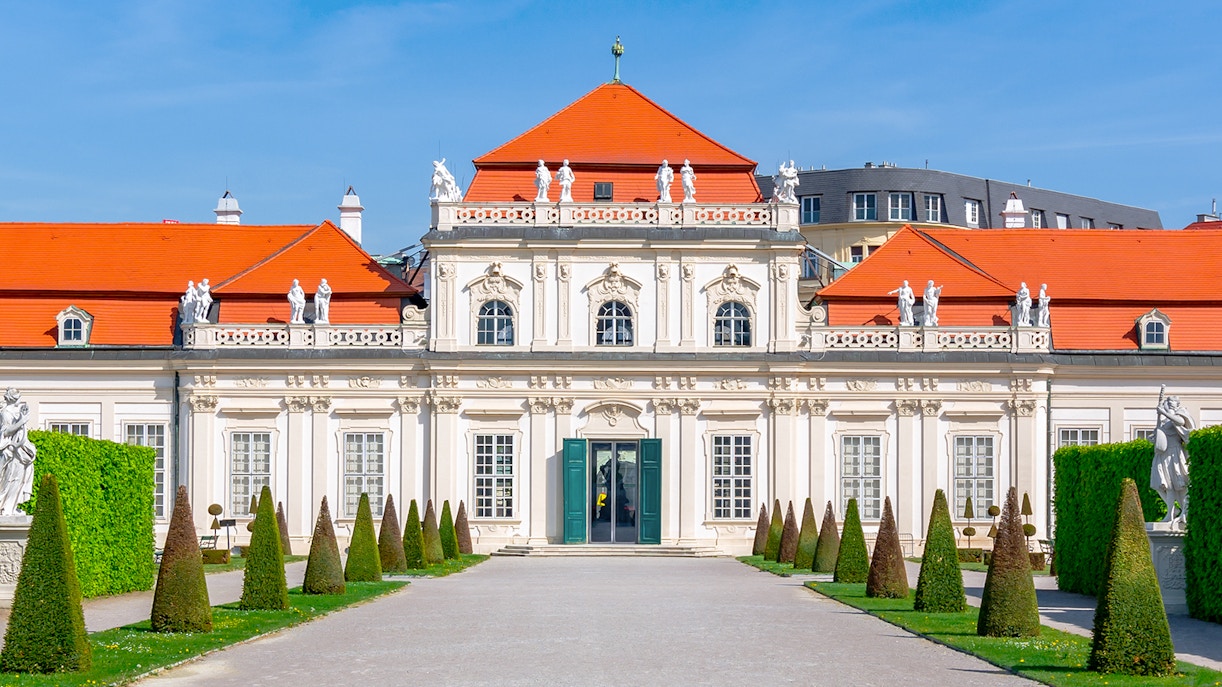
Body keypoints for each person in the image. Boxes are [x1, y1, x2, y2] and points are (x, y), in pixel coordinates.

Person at [1152, 386, 1194, 528]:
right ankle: (1172, 510)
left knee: (1172, 484)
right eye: (1167, 402)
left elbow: (1180, 423)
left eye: (1172, 403)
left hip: (1174, 452)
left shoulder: (1179, 414)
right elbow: (1159, 433)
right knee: (1159, 484)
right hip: (1162, 453)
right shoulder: (1164, 419)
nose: (1169, 405)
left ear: (1177, 405)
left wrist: (1163, 412)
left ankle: (1173, 512)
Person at [0, 388, 36, 516]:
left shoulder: (16, 411)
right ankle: (5, 508)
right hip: (10, 451)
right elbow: (6, 432)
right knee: (9, 479)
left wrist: (22, 416)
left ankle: (11, 506)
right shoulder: (5, 413)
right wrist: (22, 421)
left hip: (18, 451)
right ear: (13, 398)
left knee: (18, 479)